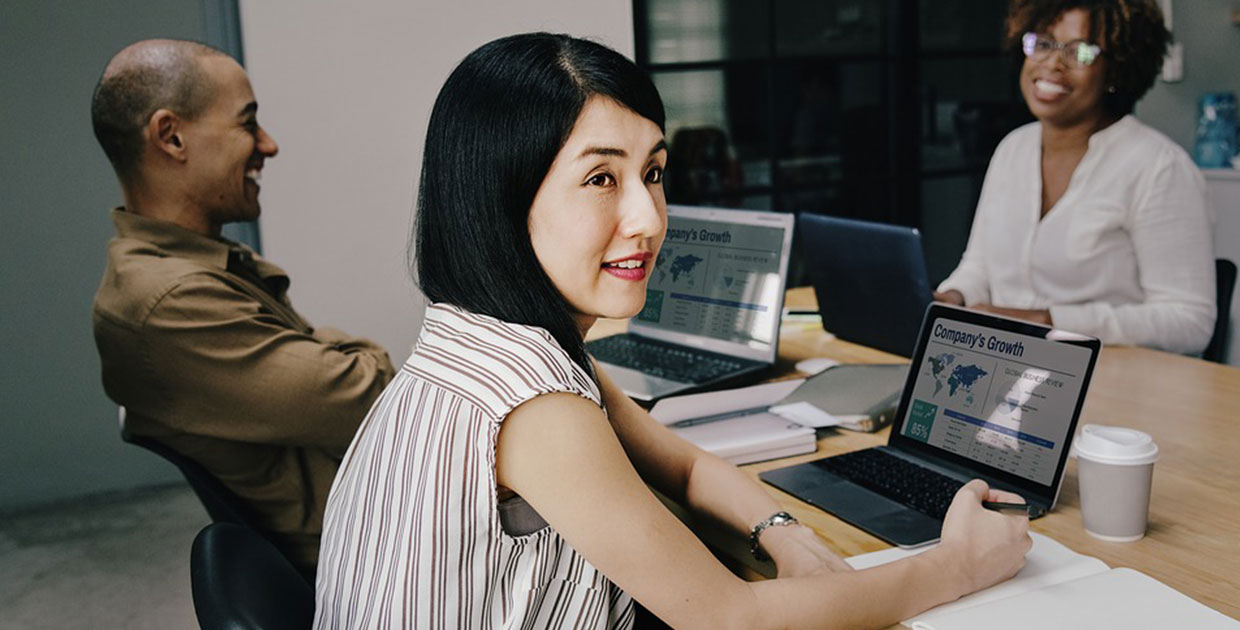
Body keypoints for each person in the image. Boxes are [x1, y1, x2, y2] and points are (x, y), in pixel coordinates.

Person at [313, 32, 1030, 630]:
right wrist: (959, 565)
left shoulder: (489, 339)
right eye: (601, 179)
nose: (650, 218)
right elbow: (729, 619)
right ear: (501, 198)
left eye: (653, 172)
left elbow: (686, 468)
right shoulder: (534, 404)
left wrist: (787, 536)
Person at [90, 39, 395, 573]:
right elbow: (372, 400)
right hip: (377, 555)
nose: (268, 145)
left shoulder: (200, 263)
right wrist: (347, 354)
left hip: (381, 515)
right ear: (171, 136)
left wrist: (332, 356)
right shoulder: (168, 300)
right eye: (247, 123)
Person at [934, 0, 1215, 355]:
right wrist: (953, 298)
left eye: (1080, 51)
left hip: (1113, 378)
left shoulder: (1159, 168)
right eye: (1043, 43)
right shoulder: (1013, 149)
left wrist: (1049, 321)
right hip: (1006, 365)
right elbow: (979, 267)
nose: (1053, 63)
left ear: (1116, 69)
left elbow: (1190, 321)